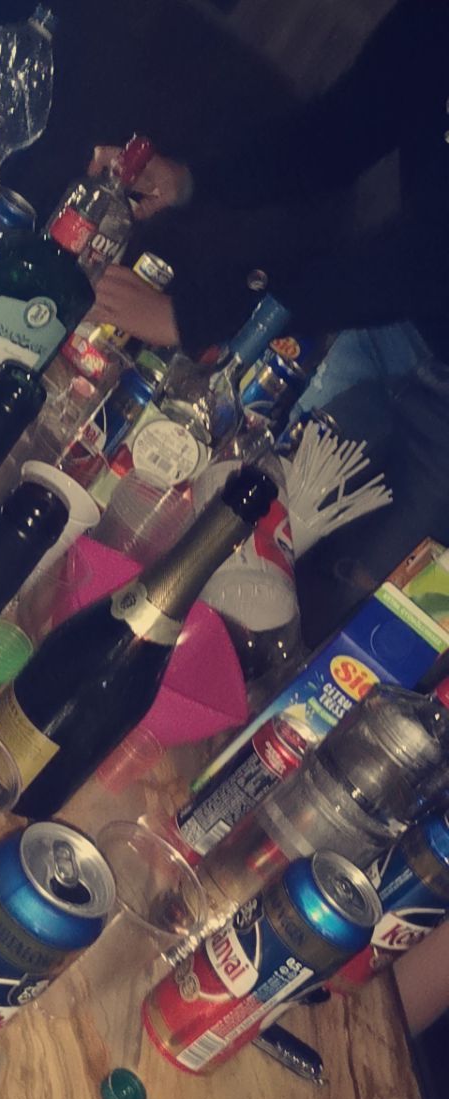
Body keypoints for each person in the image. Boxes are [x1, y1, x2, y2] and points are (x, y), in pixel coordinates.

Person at [85, 1, 449, 641]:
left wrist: (204, 317)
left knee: (347, 626)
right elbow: (338, 135)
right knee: (218, 502)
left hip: (410, 338)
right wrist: (193, 180)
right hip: (387, 321)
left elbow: (427, 261)